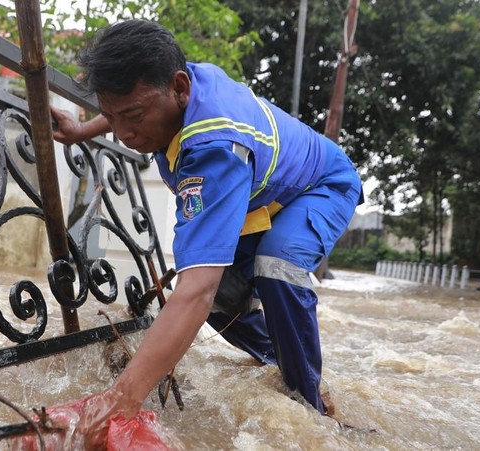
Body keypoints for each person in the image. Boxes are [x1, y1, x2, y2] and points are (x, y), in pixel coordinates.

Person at [50, 19, 363, 448]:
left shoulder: (213, 148)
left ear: (180, 88)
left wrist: (120, 398)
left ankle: (309, 404)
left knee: (275, 266)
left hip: (320, 184)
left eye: (135, 118)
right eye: (111, 116)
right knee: (220, 299)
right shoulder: (176, 82)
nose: (123, 134)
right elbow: (131, 105)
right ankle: (279, 359)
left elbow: (195, 291)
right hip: (263, 194)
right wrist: (84, 129)